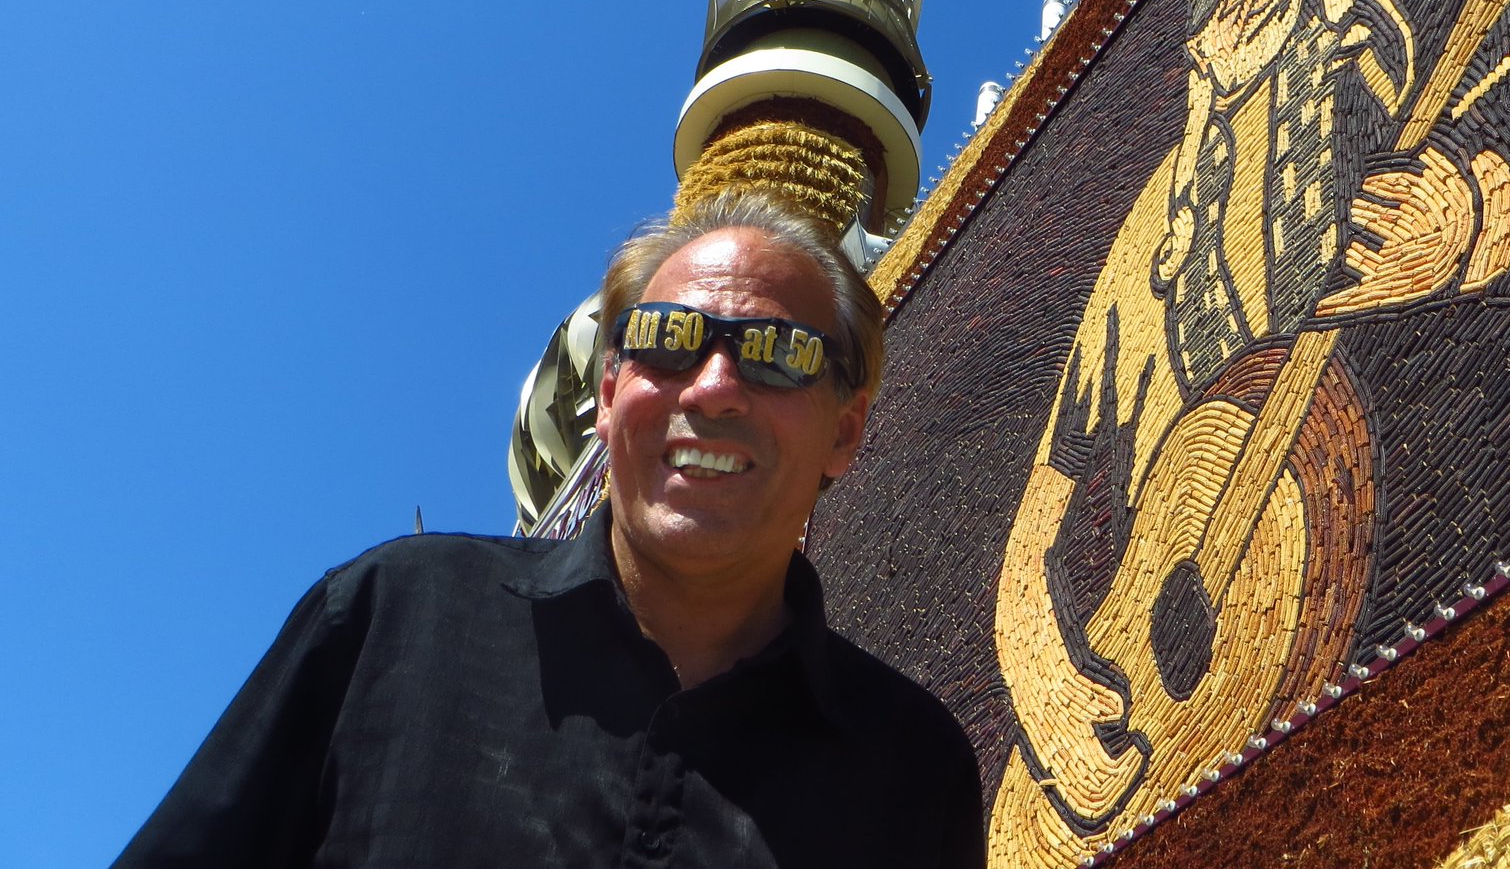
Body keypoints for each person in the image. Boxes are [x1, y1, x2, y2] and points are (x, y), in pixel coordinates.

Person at [117, 189, 986, 868]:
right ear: (607, 395)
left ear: (845, 430)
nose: (715, 387)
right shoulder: (396, 619)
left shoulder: (912, 769)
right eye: (669, 338)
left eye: (780, 351)